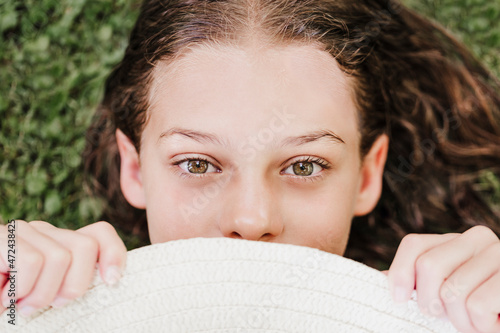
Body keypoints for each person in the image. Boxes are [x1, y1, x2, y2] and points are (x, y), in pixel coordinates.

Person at [2, 0, 500, 331]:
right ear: (133, 170)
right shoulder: (26, 303)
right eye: (197, 164)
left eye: (304, 166)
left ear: (367, 177)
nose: (251, 220)